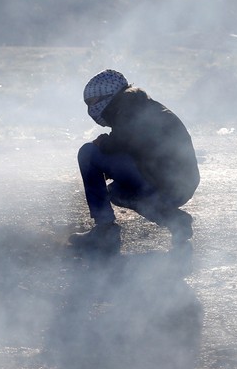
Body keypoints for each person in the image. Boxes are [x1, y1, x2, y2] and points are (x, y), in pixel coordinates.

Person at [69, 69, 200, 253]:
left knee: (89, 153)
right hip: (178, 185)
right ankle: (175, 221)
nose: (91, 110)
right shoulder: (137, 104)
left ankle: (104, 231)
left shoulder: (130, 110)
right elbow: (137, 145)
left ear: (109, 96)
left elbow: (123, 140)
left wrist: (104, 143)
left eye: (93, 102)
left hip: (168, 182)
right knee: (118, 192)